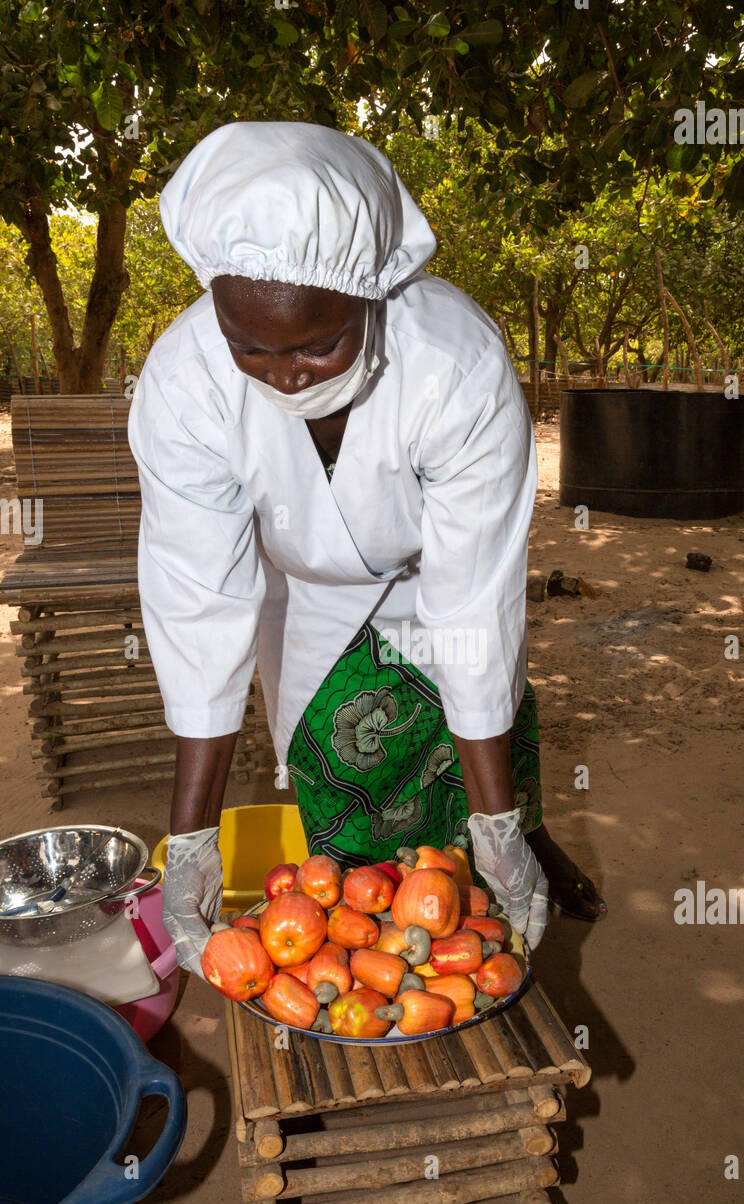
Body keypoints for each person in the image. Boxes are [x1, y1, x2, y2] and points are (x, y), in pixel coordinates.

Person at [128, 122, 604, 978]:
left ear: (369, 293)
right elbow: (198, 600)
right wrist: (192, 838)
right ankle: (374, 936)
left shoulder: (454, 365)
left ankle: (518, 836)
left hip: (437, 578)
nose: (286, 377)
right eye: (252, 348)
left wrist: (496, 828)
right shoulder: (183, 380)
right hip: (306, 594)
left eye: (319, 343)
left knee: (490, 735)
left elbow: (468, 604)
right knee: (343, 788)